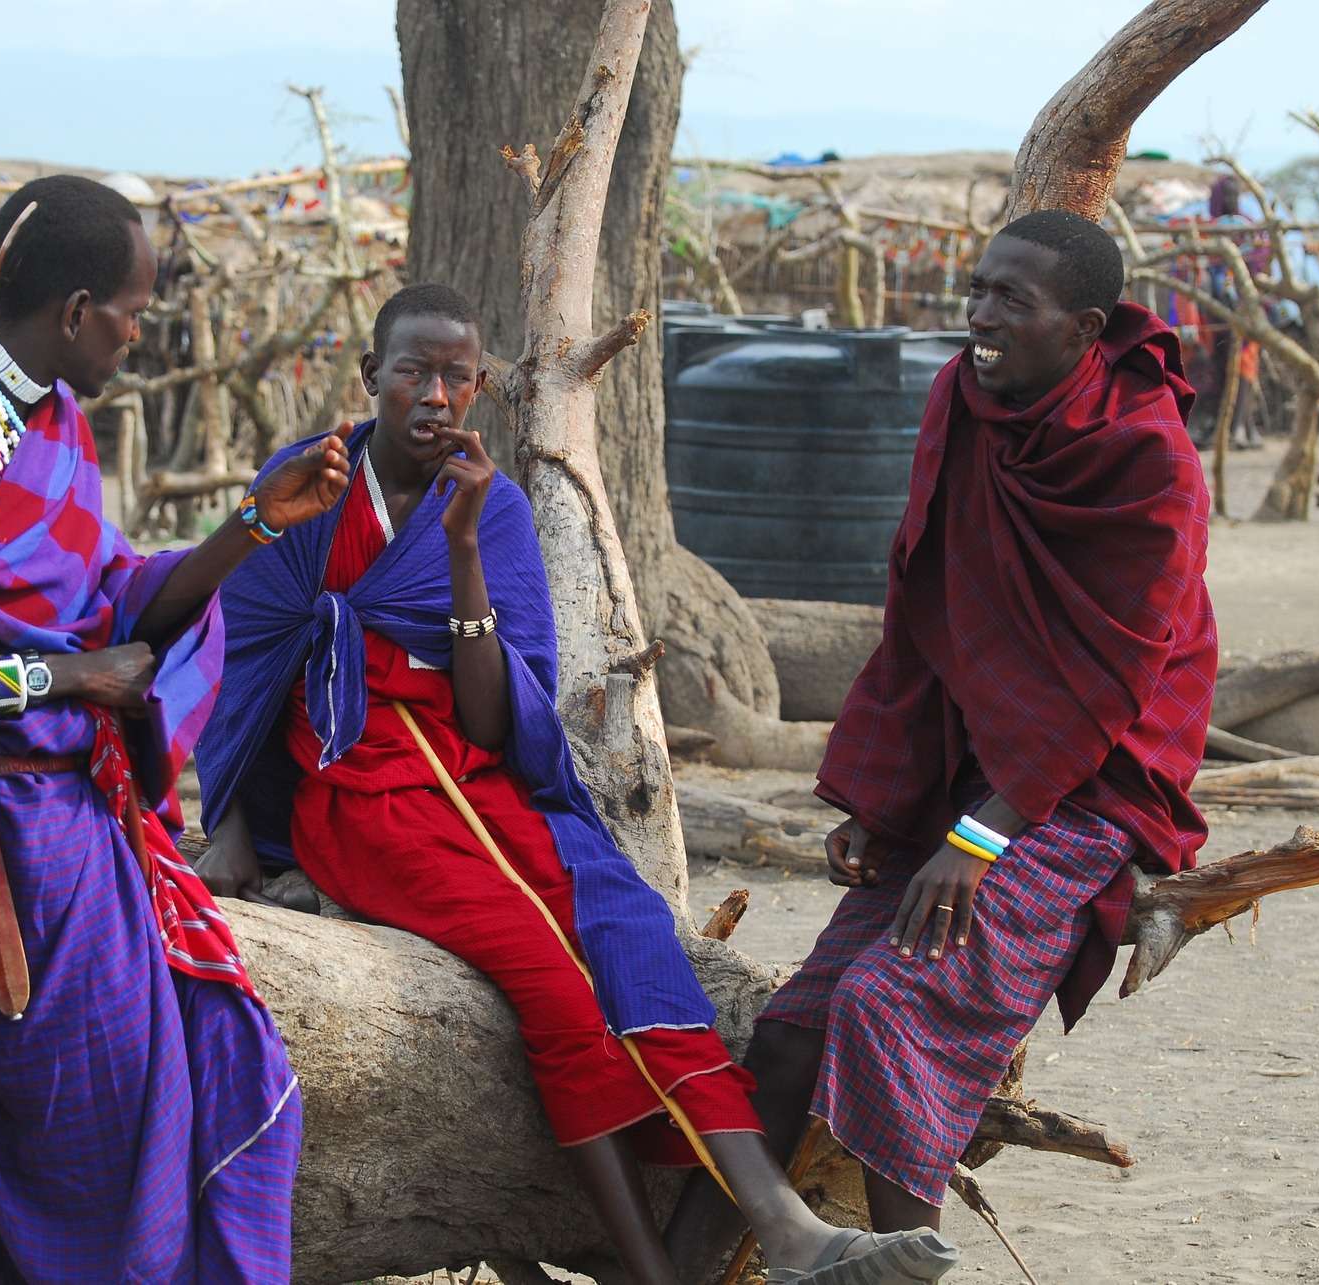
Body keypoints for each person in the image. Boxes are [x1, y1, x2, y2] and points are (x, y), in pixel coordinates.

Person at [192, 283, 958, 1285]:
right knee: (554, 979)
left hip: (473, 781)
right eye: (414, 371)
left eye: (457, 377)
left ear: (478, 389)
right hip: (358, 803)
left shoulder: (493, 507)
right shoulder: (308, 488)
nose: (435, 394)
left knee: (631, 934)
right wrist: (236, 826)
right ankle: (653, 1272)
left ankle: (785, 1227)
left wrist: (462, 548)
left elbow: (493, 716)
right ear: (369, 376)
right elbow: (238, 662)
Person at [0, 174, 350, 1282]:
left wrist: (252, 524)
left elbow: (115, 608)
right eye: (134, 314)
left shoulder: (48, 414)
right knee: (108, 1166)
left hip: (80, 823)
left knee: (233, 1074)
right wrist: (58, 680)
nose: (141, 336)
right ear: (75, 308)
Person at [665, 211, 1216, 1282]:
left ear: (1087, 326)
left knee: (887, 1000)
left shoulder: (1147, 455)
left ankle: (901, 1266)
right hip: (974, 766)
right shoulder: (962, 400)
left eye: (1013, 299)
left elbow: (1115, 677)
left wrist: (973, 835)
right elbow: (925, 598)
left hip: (1090, 783)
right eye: (976, 290)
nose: (979, 316)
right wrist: (885, 799)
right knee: (787, 1033)